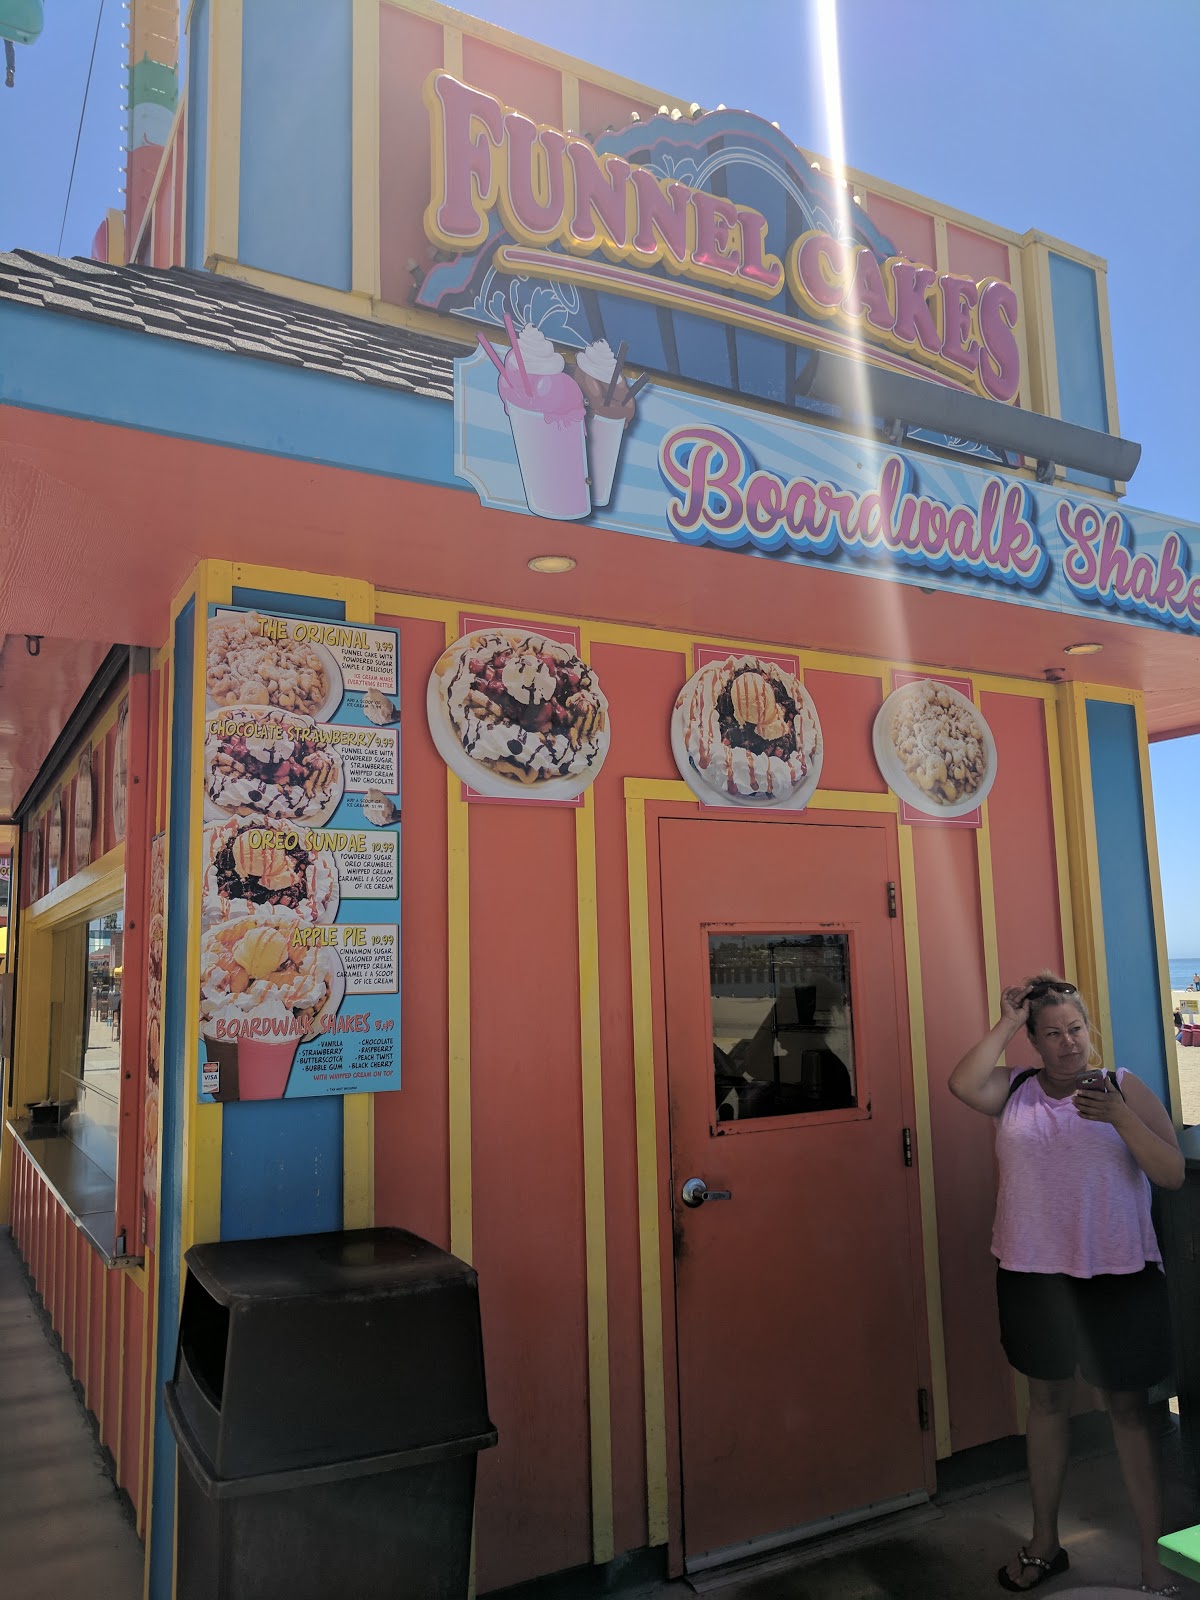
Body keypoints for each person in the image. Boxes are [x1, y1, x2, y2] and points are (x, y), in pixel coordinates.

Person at [949, 973, 1184, 1594]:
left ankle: (1153, 1558)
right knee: (1047, 1404)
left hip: (1119, 1272)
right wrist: (1004, 1019)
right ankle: (1045, 1543)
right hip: (1034, 1274)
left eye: (1075, 1029)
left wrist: (1120, 1118)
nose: (1067, 1042)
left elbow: (1171, 1173)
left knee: (1130, 1412)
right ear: (1032, 1041)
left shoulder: (1123, 1086)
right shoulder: (1016, 1090)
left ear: (1090, 1029)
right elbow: (962, 1083)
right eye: (1051, 1033)